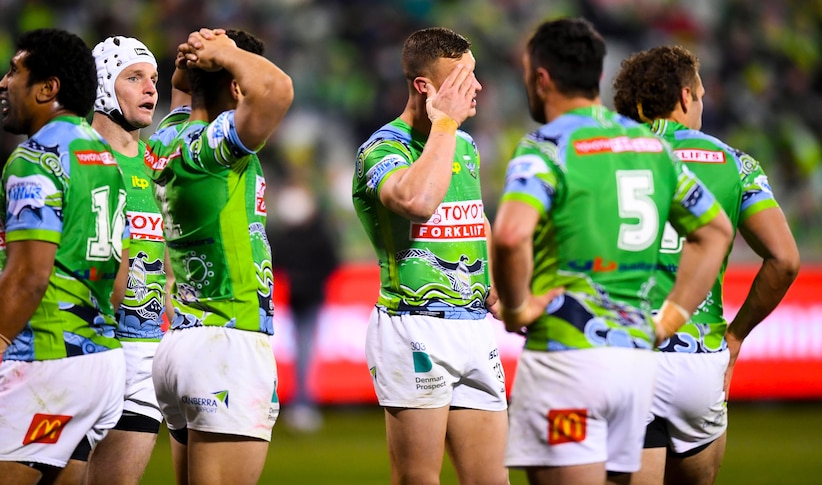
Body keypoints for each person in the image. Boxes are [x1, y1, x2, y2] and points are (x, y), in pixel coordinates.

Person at [490, 18, 734, 485]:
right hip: (635, 364)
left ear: (540, 77)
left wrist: (518, 307)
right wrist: (670, 319)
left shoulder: (547, 147)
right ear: (597, 77)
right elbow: (716, 232)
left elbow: (509, 234)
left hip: (568, 358)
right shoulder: (649, 146)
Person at [612, 45, 801, 485]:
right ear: (683, 97)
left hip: (626, 349)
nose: (701, 105)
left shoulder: (608, 157)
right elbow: (786, 260)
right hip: (697, 360)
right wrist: (735, 337)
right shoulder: (736, 163)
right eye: (699, 95)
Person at [0, 28, 128, 485]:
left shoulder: (35, 159)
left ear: (48, 88)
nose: (2, 82)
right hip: (103, 365)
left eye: (15, 71)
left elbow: (27, 277)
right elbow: (119, 276)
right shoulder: (105, 160)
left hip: (47, 363)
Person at [352, 27, 508, 485]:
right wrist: (444, 123)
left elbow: (476, 218)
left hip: (473, 327)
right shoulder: (382, 148)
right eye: (463, 78)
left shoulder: (465, 144)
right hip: (413, 325)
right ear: (425, 87)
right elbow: (417, 201)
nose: (476, 87)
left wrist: (496, 291)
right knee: (419, 478)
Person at [146, 28, 293, 485]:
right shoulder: (213, 149)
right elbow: (276, 90)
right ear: (235, 83)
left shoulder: (168, 136)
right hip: (228, 339)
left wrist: (192, 57)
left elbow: (181, 91)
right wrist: (224, 53)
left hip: (181, 344)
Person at [81, 35, 173, 485]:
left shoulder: (158, 166)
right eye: (134, 78)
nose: (150, 89)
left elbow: (169, 248)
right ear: (101, 86)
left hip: (143, 352)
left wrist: (171, 293)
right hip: (86, 344)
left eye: (153, 79)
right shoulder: (78, 156)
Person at [269, 180, 339, 433]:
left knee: (304, 353)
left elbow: (330, 263)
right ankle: (302, 403)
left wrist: (300, 279)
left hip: (306, 299)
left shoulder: (294, 236)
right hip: (300, 300)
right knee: (303, 353)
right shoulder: (311, 235)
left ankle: (303, 403)